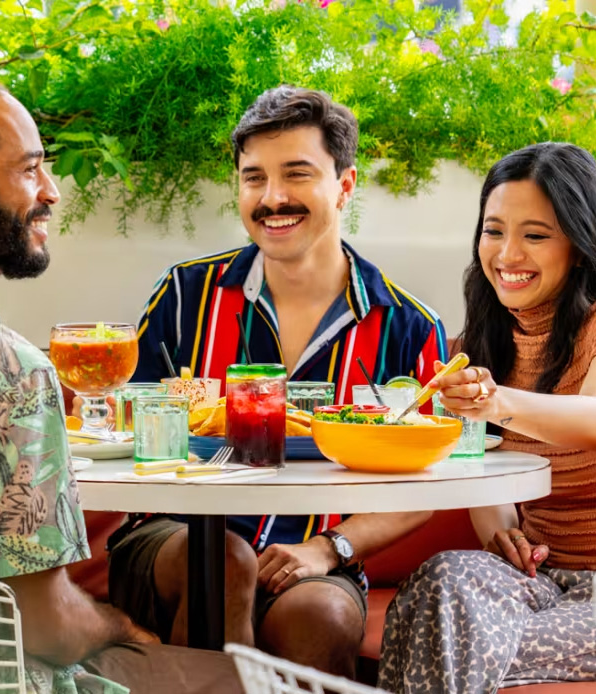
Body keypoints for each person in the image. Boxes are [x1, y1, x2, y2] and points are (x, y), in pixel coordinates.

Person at [0, 75, 241, 694]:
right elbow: (47, 627)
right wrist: (114, 622)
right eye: (30, 169)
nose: (52, 193)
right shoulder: (8, 366)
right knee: (241, 681)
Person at [109, 86, 448, 679]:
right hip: (172, 541)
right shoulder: (186, 295)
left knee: (322, 615)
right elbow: (122, 422)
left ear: (344, 185)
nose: (272, 199)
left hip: (316, 550)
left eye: (296, 174)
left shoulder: (408, 325)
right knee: (225, 563)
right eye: (253, 178)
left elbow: (424, 480)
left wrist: (329, 548)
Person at [377, 142, 596, 693]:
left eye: (536, 235)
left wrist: (496, 403)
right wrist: (504, 533)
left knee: (443, 633)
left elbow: (589, 417)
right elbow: (477, 460)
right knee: (442, 580)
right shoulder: (478, 342)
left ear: (582, 243)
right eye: (494, 231)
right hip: (541, 578)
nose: (507, 254)